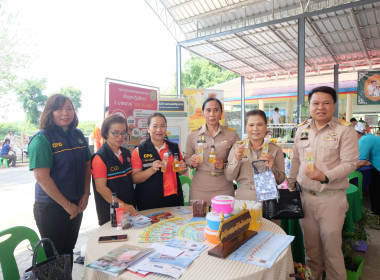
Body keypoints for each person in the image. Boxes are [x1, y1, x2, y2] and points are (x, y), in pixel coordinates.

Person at [288, 86, 359, 280]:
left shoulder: (344, 131)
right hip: (305, 198)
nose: (321, 107)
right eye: (316, 103)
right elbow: (296, 160)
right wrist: (290, 184)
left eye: (326, 103)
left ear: (334, 105)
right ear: (309, 106)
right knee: (311, 251)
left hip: (331, 198)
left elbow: (350, 163)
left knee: (332, 252)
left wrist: (325, 176)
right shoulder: (302, 129)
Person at [28, 94, 91, 269]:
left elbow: (87, 166)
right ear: (50, 112)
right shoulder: (42, 139)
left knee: (68, 250)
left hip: (77, 203)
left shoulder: (78, 135)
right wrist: (66, 205)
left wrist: (86, 194)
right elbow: (42, 178)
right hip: (51, 207)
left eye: (69, 108)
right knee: (53, 256)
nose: (65, 113)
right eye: (59, 108)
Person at [184, 98, 240, 204]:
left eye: (216, 110)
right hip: (200, 187)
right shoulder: (193, 134)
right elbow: (186, 157)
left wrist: (223, 165)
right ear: (203, 112)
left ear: (221, 113)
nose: (212, 114)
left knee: (224, 218)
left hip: (224, 186)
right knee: (198, 218)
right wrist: (191, 161)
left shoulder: (231, 135)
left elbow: (237, 161)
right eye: (208, 110)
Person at [225, 109, 285, 200]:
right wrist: (237, 159)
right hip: (243, 197)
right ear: (246, 127)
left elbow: (280, 180)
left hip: (267, 199)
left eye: (260, 124)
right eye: (251, 125)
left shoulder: (275, 149)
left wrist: (272, 169)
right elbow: (229, 177)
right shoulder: (238, 148)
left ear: (266, 126)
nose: (255, 129)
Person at [131, 112, 186, 211]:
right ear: (148, 128)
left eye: (162, 126)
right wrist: (151, 170)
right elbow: (135, 178)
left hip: (172, 197)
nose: (159, 130)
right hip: (148, 199)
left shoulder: (174, 147)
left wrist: (182, 168)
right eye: (155, 126)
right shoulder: (139, 151)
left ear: (166, 127)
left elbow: (180, 172)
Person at [91, 114, 138, 225]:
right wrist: (123, 205)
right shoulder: (100, 158)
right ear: (106, 133)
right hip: (110, 214)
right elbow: (101, 188)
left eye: (123, 133)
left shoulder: (126, 153)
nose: (120, 136)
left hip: (129, 209)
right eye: (115, 133)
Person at [356, 132, 380, 229]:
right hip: (375, 167)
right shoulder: (369, 136)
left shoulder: (363, 140)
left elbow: (361, 162)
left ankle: (377, 222)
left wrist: (346, 168)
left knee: (377, 194)